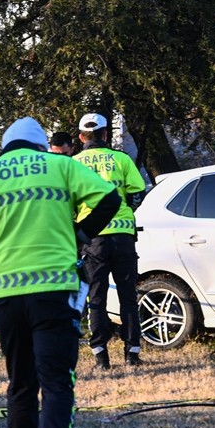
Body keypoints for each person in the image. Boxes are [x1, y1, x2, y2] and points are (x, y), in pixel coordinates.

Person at [0, 116, 120, 428]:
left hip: (4, 295)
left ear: (5, 147)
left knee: (20, 381)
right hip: (54, 290)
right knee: (56, 383)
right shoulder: (60, 165)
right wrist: (80, 233)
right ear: (39, 146)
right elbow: (111, 198)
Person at [74, 112, 147, 369]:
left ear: (81, 137)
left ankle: (101, 356)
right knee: (128, 296)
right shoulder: (121, 159)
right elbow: (137, 194)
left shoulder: (72, 164)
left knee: (96, 299)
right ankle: (132, 354)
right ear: (105, 134)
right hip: (123, 236)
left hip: (92, 240)